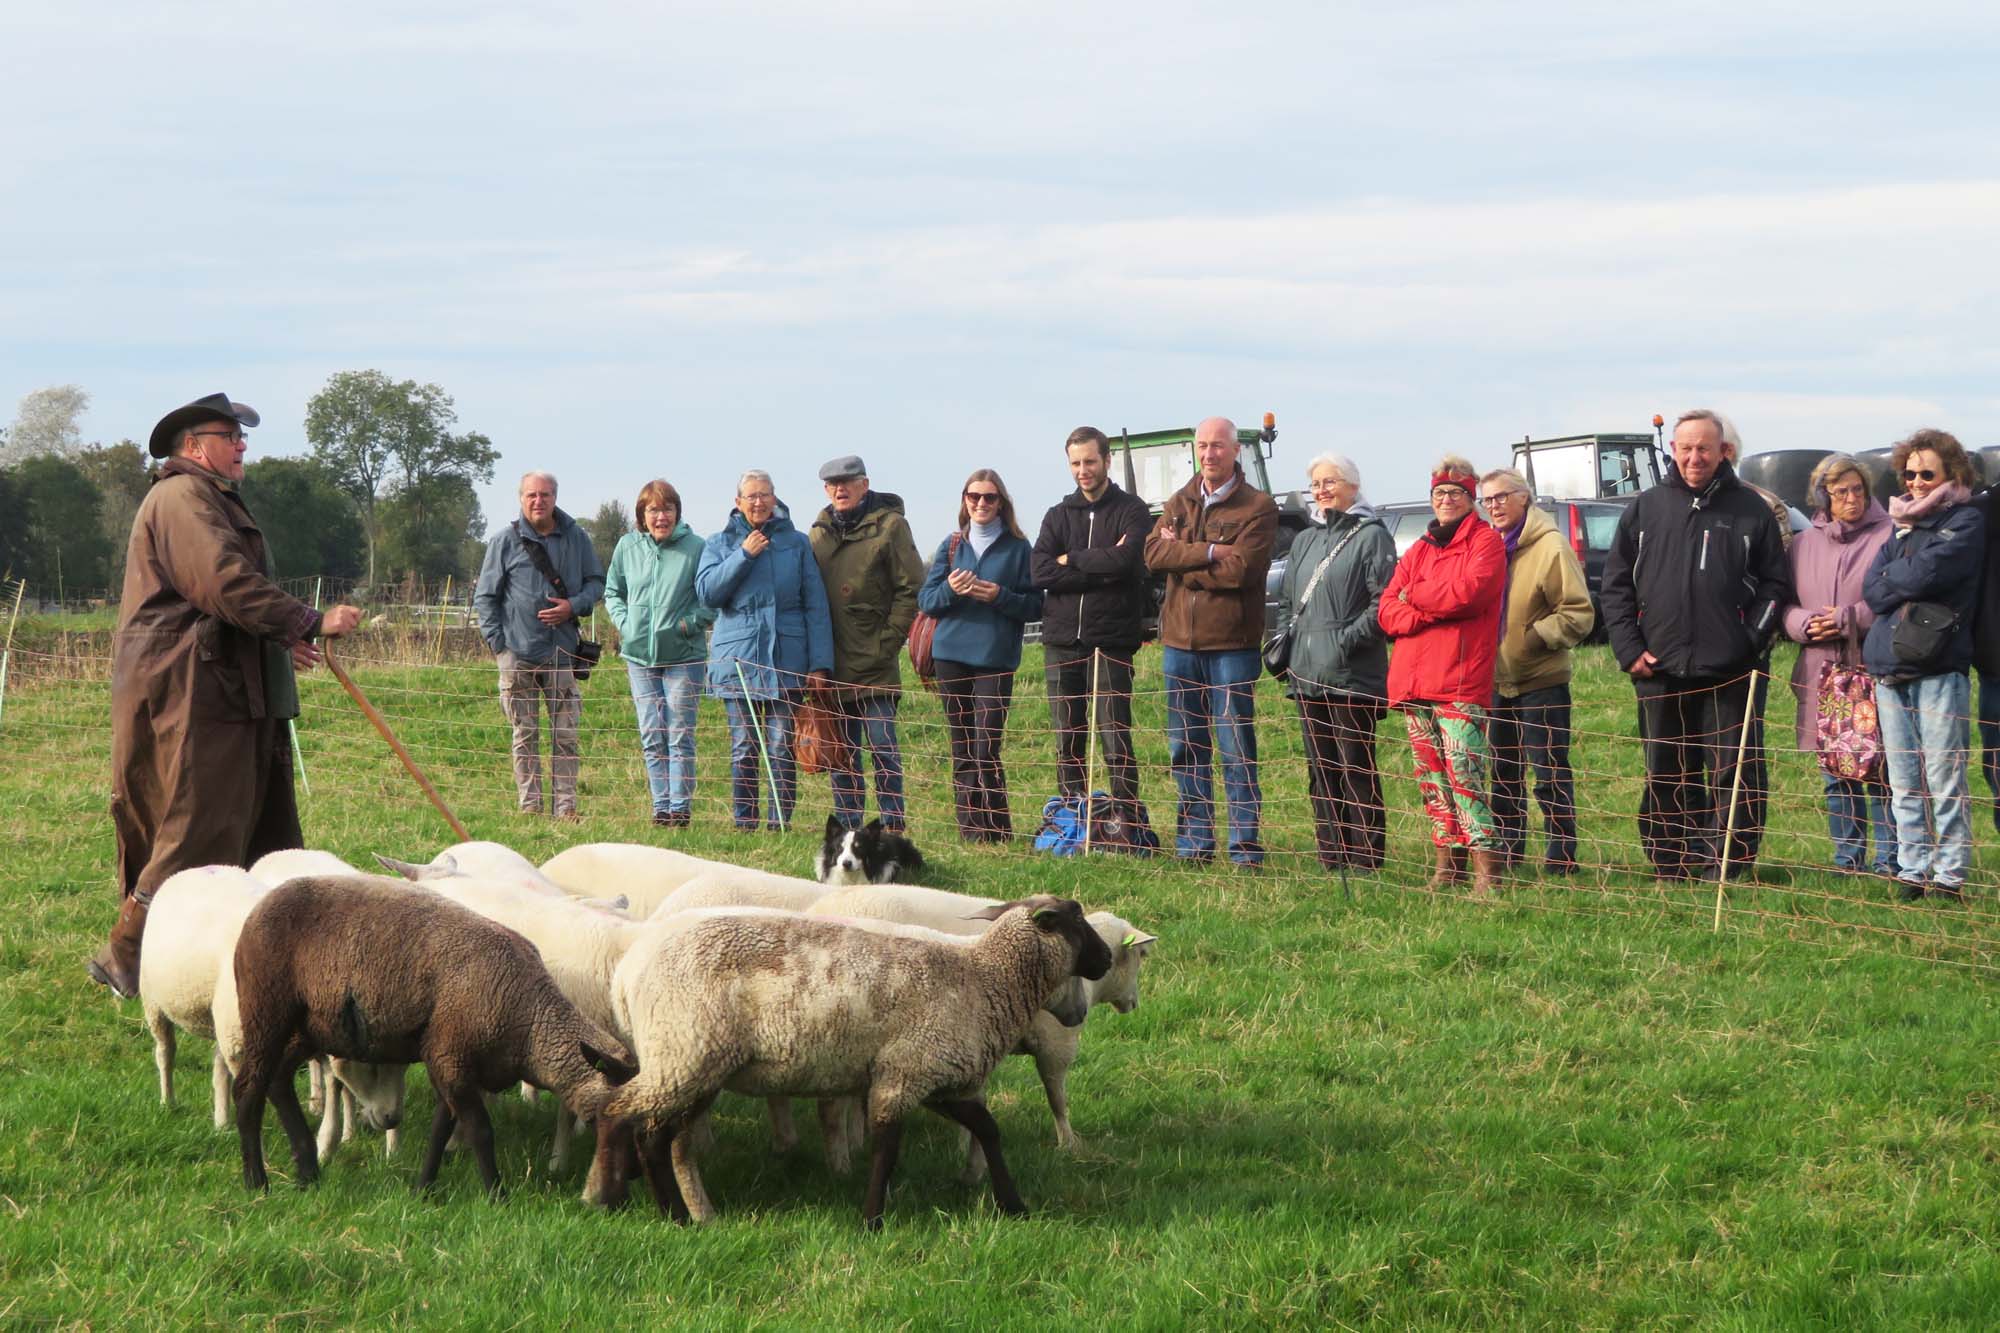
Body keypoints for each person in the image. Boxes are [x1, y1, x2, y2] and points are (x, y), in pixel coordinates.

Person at [94, 392, 362, 997]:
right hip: (190, 687)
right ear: (194, 446)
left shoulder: (208, 497)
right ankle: (128, 956)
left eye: (242, 436)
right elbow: (223, 584)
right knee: (198, 826)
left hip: (221, 680)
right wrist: (308, 620)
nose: (242, 445)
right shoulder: (183, 497)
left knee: (263, 827)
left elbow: (220, 599)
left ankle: (263, 967)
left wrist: (276, 640)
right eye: (230, 435)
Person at [1599, 409, 1790, 881]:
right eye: (1685, 448)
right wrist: (1628, 649)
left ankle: (1725, 863)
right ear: (1673, 451)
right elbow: (1616, 586)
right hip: (1658, 668)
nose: (1693, 457)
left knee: (1733, 771)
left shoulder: (1751, 510)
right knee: (1666, 769)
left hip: (1733, 670)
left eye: (1704, 448)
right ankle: (1671, 860)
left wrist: (1749, 643)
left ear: (1722, 451)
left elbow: (1775, 586)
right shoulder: (1645, 509)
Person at [1143, 417, 1279, 866]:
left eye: (1217, 446)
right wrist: (1208, 552)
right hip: (1179, 646)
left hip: (1231, 647)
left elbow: (1242, 572)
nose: (1209, 454)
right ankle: (1194, 845)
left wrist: (1181, 559)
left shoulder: (1258, 507)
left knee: (1235, 747)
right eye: (1202, 446)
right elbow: (1152, 554)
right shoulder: (1179, 500)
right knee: (1185, 748)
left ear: (1236, 450)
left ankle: (1244, 848)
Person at [1863, 429, 1986, 900]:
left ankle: (1950, 874)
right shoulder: (1900, 525)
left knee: (1944, 775)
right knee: (1903, 776)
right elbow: (1871, 588)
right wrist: (1902, 578)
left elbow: (1928, 572)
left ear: (1950, 474)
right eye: (1909, 473)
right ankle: (1912, 869)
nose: (1915, 482)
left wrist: (1899, 576)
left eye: (1926, 473)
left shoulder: (1966, 520)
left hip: (1938, 666)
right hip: (1890, 664)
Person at [1378, 456, 1508, 895]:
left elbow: (1469, 594)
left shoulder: (1485, 543)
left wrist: (1414, 596)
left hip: (1459, 678)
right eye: (1439, 493)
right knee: (1431, 779)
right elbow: (1386, 610)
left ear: (1471, 500)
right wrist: (1420, 611)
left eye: (1456, 493)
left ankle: (1486, 870)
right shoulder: (1418, 549)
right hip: (1415, 681)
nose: (1446, 499)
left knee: (1466, 775)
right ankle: (1445, 865)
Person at [1275, 454, 1395, 872]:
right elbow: (1288, 601)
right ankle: (1332, 856)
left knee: (1355, 767)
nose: (1322, 490)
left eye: (1330, 482)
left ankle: (1366, 859)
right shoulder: (1305, 539)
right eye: (1316, 483)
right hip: (1306, 672)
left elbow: (1383, 602)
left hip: (1351, 674)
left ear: (1351, 487)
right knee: (1320, 770)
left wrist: (1344, 642)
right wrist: (1284, 643)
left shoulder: (1371, 536)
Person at [696, 470, 834, 831]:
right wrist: (743, 555)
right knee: (744, 746)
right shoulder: (719, 543)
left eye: (765, 495)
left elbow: (815, 606)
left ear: (775, 499)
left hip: (787, 658)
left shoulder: (797, 543)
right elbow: (708, 595)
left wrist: (819, 663)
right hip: (737, 659)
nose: (758, 502)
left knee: (779, 746)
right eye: (751, 496)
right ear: (737, 502)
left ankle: (779, 824)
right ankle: (745, 823)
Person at [1780, 454, 1896, 876]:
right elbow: (1785, 604)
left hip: (1871, 668)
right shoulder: (1805, 543)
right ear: (1823, 496)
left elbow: (1894, 599)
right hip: (1819, 671)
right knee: (1835, 770)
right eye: (1840, 491)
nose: (1851, 498)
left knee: (1881, 768)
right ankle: (1847, 858)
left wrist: (1850, 618)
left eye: (1857, 490)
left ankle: (1890, 858)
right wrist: (1804, 624)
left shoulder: (1889, 535)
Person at [1476, 469, 1594, 874]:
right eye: (1487, 500)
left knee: (1549, 772)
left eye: (1501, 497)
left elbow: (1579, 613)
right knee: (1503, 772)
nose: (1494, 506)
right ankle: (1509, 853)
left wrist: (1534, 637)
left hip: (1541, 679)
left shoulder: (1552, 547)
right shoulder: (1487, 546)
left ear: (1524, 498)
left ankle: (1562, 857)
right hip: (1495, 679)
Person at [1030, 426, 1155, 807]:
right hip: (1061, 642)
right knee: (1067, 737)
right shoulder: (1057, 515)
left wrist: (1073, 559)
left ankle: (1125, 817)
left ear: (1106, 460)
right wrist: (1101, 565)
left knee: (1114, 735)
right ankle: (1072, 814)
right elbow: (1040, 572)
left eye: (1090, 461)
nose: (1083, 470)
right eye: (1075, 463)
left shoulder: (1132, 510)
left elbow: (1127, 560)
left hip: (1111, 642)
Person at [917, 469, 1044, 841]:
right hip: (950, 655)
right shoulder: (952, 545)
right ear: (964, 501)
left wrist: (998, 596)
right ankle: (971, 831)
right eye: (974, 496)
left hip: (995, 658)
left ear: (1001, 503)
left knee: (986, 745)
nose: (981, 503)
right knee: (961, 745)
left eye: (989, 497)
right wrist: (952, 591)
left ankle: (997, 829)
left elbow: (1037, 606)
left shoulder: (1020, 548)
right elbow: (926, 601)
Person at [474, 470, 604, 819]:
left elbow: (596, 583)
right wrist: (500, 647)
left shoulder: (577, 538)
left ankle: (566, 808)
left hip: (562, 652)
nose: (538, 501)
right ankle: (530, 807)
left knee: (565, 735)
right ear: (521, 499)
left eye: (545, 495)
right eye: (531, 495)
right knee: (525, 734)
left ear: (555, 498)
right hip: (518, 655)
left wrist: (572, 607)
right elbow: (485, 598)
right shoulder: (504, 541)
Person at [808, 455, 925, 833]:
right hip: (834, 665)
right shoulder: (817, 535)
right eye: (832, 484)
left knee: (882, 747)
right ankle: (847, 830)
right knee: (843, 755)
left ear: (865, 484)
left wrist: (887, 641)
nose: (839, 490)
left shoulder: (891, 527)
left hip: (875, 663)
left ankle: (892, 825)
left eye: (847, 482)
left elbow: (911, 589)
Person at [604, 480, 715, 827]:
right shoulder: (627, 546)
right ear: (642, 514)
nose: (661, 516)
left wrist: (688, 625)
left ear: (677, 513)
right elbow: (612, 591)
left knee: (680, 734)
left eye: (667, 509)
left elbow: (710, 598)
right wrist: (626, 625)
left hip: (684, 656)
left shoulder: (697, 548)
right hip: (639, 657)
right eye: (653, 510)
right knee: (652, 734)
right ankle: (660, 807)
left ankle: (680, 809)